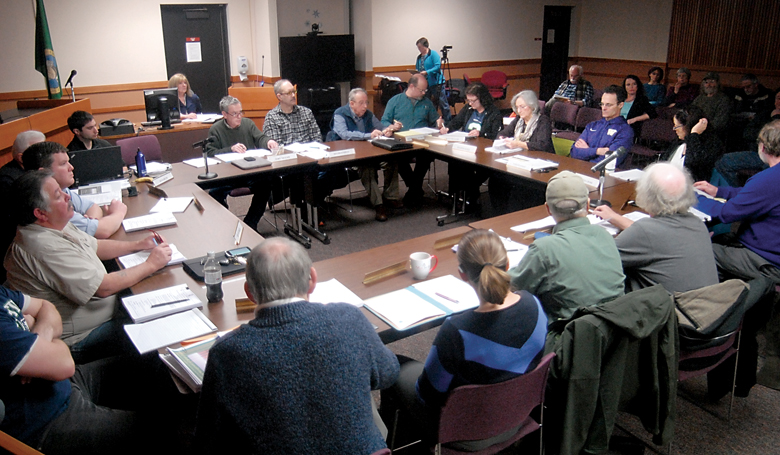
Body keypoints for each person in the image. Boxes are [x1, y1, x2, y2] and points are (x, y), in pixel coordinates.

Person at [195, 237, 399, 454]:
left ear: (249, 292)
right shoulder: (349, 317)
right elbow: (388, 373)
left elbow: (209, 438)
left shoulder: (226, 353)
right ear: (312, 279)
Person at [379, 229, 547, 448]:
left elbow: (428, 395)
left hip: (463, 432)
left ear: (462, 274)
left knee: (393, 365)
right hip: (517, 417)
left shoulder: (457, 331)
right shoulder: (535, 305)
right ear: (507, 265)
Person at [4, 171, 172, 362]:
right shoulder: (42, 246)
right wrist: (151, 264)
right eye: (59, 195)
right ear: (40, 213)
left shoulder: (53, 224)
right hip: (82, 337)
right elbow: (103, 287)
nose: (68, 196)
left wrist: (138, 245)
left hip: (106, 311)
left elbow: (95, 246)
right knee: (160, 324)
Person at [0, 287, 158, 453]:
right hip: (44, 421)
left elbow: (46, 307)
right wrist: (36, 326)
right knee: (160, 431)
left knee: (151, 362)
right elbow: (65, 364)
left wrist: (42, 336)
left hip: (59, 385)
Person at [508, 171, 625, 325]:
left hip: (568, 338)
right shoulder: (604, 235)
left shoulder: (544, 248)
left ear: (548, 209)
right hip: (617, 332)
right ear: (588, 205)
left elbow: (510, 288)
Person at [592, 162, 718, 292]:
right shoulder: (697, 223)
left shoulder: (646, 232)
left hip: (670, 310)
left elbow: (596, 259)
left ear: (646, 194)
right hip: (706, 308)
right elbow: (659, 238)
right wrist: (616, 218)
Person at [694, 119, 780, 284]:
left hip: (768, 261)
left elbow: (727, 213)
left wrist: (693, 197)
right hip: (771, 250)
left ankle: (720, 303)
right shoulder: (771, 179)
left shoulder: (768, 179)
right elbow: (758, 195)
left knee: (701, 250)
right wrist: (720, 191)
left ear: (762, 147)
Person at [23, 141, 128, 239]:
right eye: (63, 164)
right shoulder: (49, 205)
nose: (71, 167)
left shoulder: (62, 190)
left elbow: (91, 206)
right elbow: (104, 231)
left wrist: (91, 222)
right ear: (43, 172)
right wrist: (118, 212)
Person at [204, 95, 278, 230]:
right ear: (224, 114)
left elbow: (259, 138)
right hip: (228, 175)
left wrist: (268, 141)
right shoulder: (216, 129)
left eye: (240, 112)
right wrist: (230, 150)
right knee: (214, 192)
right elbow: (210, 152)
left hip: (249, 171)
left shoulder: (248, 124)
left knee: (266, 184)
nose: (239, 116)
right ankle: (226, 222)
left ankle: (250, 223)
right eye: (234, 114)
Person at [327, 87, 401, 221]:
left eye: (366, 102)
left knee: (391, 160)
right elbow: (344, 134)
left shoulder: (368, 114)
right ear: (352, 103)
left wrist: (388, 130)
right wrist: (368, 135)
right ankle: (379, 205)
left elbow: (379, 127)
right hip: (350, 156)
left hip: (370, 152)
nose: (365, 106)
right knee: (366, 168)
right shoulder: (340, 113)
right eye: (361, 103)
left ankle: (390, 196)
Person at [381, 74, 443, 206]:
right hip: (401, 142)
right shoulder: (395, 101)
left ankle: (414, 190)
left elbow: (435, 121)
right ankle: (416, 189)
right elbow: (384, 121)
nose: (424, 93)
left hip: (422, 142)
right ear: (411, 86)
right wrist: (391, 127)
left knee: (426, 157)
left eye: (425, 90)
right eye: (421, 90)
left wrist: (439, 123)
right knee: (397, 158)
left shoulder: (426, 102)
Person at [570, 85, 634, 169]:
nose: (604, 108)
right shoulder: (592, 125)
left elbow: (609, 161)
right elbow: (574, 152)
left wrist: (587, 151)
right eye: (602, 104)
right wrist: (598, 151)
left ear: (620, 105)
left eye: (608, 105)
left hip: (604, 176)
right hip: (581, 170)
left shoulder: (625, 131)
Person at [659, 105, 723, 182]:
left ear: (689, 126)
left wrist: (694, 134)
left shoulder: (711, 145)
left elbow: (692, 165)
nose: (675, 129)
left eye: (677, 126)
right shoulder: (679, 142)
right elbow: (664, 160)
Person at [263, 79, 322, 145]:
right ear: (279, 97)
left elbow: (317, 139)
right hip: (286, 154)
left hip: (308, 153)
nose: (293, 95)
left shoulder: (306, 112)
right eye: (289, 93)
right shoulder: (272, 117)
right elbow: (276, 147)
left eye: (294, 91)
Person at [415, 37, 451, 122]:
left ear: (425, 46)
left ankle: (449, 122)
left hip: (436, 82)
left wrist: (427, 72)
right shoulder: (419, 57)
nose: (419, 49)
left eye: (420, 47)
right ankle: (431, 122)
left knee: (443, 103)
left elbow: (437, 66)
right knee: (427, 103)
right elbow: (417, 67)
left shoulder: (433, 54)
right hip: (425, 84)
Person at [692, 72, 731, 138]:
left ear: (717, 84)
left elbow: (720, 122)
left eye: (712, 82)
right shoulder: (699, 99)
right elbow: (691, 112)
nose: (709, 85)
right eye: (706, 82)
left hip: (712, 134)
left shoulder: (723, 100)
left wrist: (703, 128)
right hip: (695, 130)